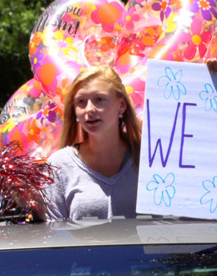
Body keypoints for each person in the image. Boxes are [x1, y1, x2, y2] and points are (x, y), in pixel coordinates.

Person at [43, 65, 143, 220]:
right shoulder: (59, 165)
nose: (89, 109)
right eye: (81, 102)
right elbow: (53, 233)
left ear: (121, 105)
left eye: (99, 99)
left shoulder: (149, 158)